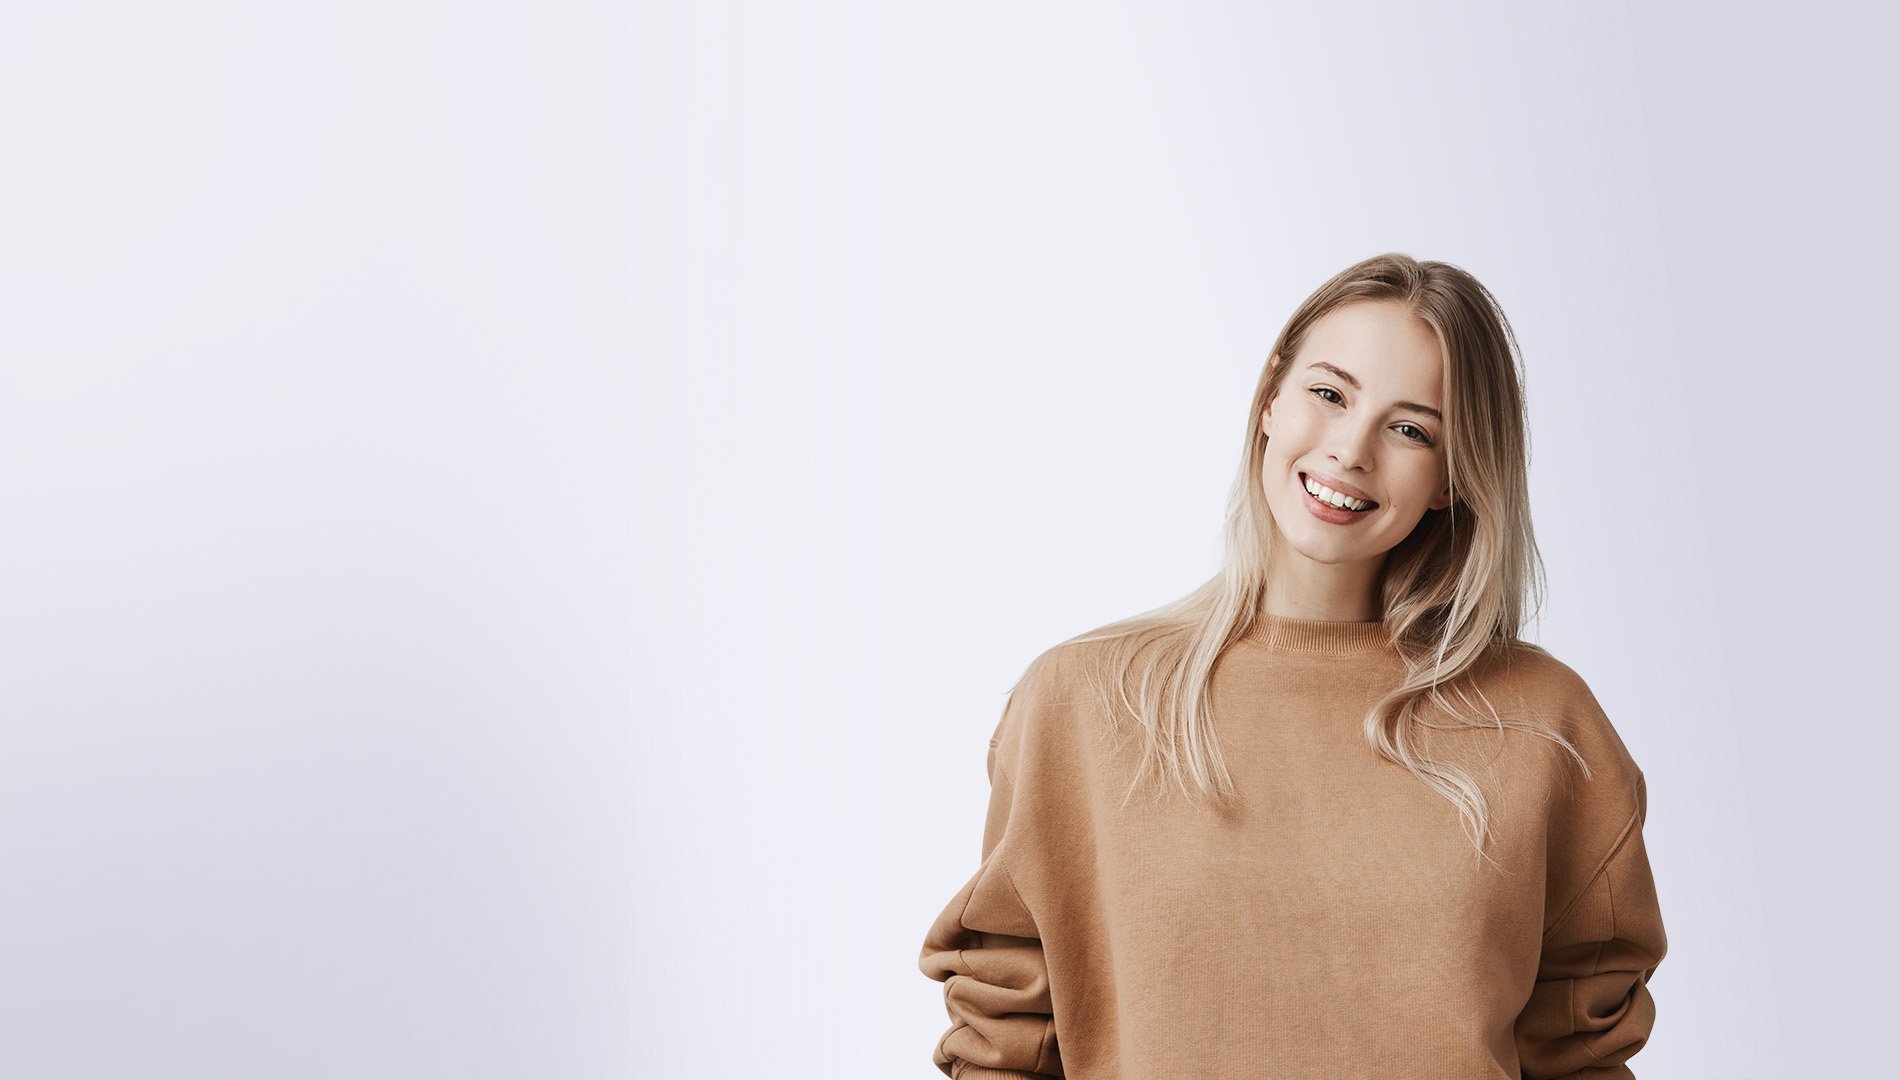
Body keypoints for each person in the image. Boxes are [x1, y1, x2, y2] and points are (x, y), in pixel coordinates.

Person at [916, 253, 1667, 1079]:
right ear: (1271, 396)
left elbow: (1582, 1049)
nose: (1351, 450)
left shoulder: (1542, 723)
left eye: (1411, 428)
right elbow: (1004, 1035)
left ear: (1453, 476)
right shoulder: (1082, 701)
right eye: (1329, 394)